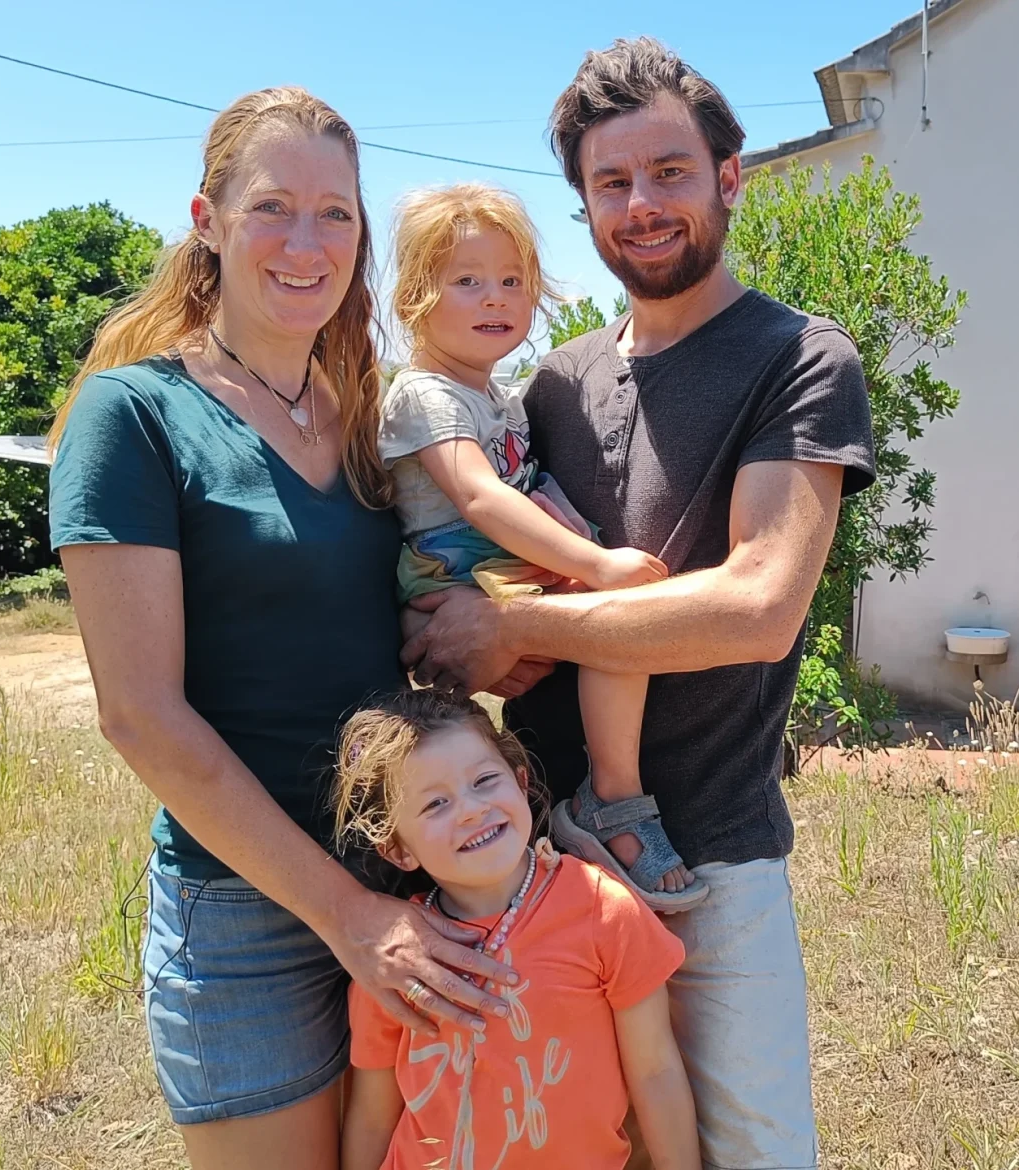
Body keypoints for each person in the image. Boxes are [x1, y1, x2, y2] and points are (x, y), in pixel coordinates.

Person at [402, 38, 876, 1170]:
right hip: (530, 862)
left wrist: (516, 626)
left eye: (669, 171)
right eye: (610, 182)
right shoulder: (555, 380)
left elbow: (758, 607)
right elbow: (474, 560)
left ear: (730, 175)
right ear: (585, 206)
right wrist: (451, 636)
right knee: (591, 1147)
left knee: (753, 1149)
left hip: (709, 856)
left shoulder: (799, 359)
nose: (642, 205)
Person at [47, 88, 522, 1170]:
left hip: (412, 869)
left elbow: (412, 615)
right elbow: (139, 716)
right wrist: (347, 916)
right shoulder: (135, 415)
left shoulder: (366, 420)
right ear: (207, 221)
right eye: (273, 207)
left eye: (335, 214)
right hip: (246, 914)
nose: (308, 243)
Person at [380, 183, 705, 910]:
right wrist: (595, 564)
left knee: (614, 621)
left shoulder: (495, 394)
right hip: (460, 562)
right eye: (467, 281)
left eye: (511, 281)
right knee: (618, 614)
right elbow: (478, 496)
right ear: (415, 297)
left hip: (489, 562)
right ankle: (613, 799)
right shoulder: (426, 393)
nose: (494, 298)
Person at [333, 689, 701, 1170]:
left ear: (521, 780)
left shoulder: (603, 909)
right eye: (435, 803)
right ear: (397, 850)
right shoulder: (391, 957)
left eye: (484, 780)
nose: (471, 809)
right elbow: (373, 1116)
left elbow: (655, 1072)